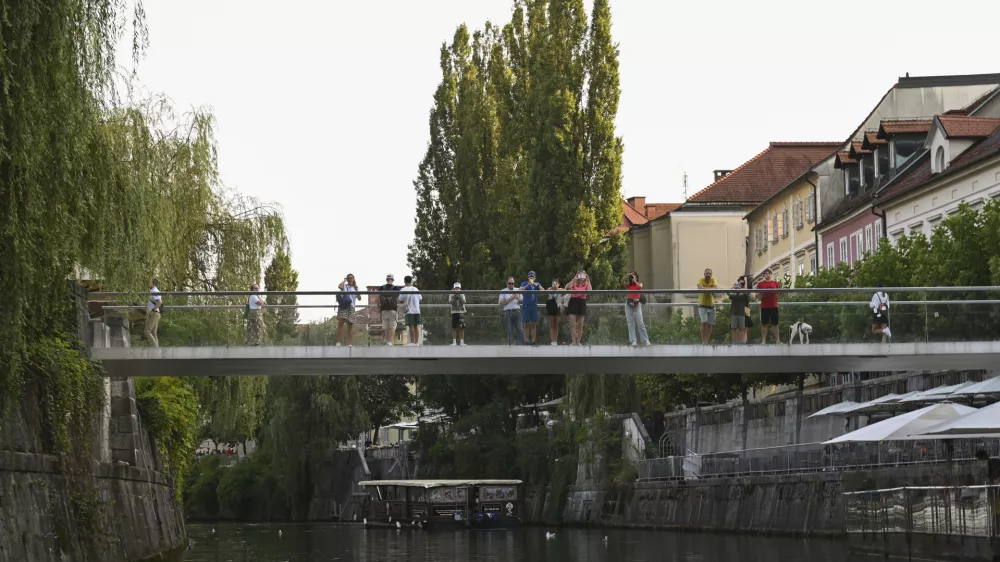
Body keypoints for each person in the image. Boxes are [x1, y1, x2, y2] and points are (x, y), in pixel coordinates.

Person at [622, 271, 650, 346]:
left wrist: (635, 280)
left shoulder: (639, 284)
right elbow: (622, 281)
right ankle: (633, 340)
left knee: (640, 322)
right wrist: (627, 275)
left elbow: (640, 287)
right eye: (632, 276)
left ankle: (645, 340)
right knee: (630, 323)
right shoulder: (629, 285)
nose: (632, 276)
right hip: (629, 304)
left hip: (637, 304)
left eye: (634, 275)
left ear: (637, 277)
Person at [565, 270, 592, 346]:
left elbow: (590, 291)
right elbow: (567, 287)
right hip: (573, 302)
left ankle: (578, 342)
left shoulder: (586, 283)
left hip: (582, 302)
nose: (581, 277)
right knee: (572, 324)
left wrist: (588, 280)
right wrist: (574, 279)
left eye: (583, 275)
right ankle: (573, 341)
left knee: (580, 324)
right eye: (580, 275)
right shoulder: (574, 282)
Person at [757, 268, 781, 344]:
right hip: (764, 306)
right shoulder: (760, 284)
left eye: (769, 273)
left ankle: (777, 340)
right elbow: (757, 294)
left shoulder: (775, 283)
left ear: (771, 274)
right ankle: (763, 340)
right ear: (764, 275)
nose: (767, 275)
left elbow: (779, 293)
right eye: (766, 273)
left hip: (774, 305)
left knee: (775, 324)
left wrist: (782, 292)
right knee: (764, 324)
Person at [696, 268, 718, 345]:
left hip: (711, 306)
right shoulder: (701, 280)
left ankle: (707, 341)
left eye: (709, 273)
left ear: (711, 275)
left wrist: (708, 289)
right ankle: (703, 341)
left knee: (710, 324)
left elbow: (716, 288)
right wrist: (711, 290)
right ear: (704, 274)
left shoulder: (713, 280)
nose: (708, 275)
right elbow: (700, 288)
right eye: (707, 273)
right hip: (702, 306)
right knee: (704, 322)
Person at [499, 277, 524, 345]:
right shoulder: (503, 291)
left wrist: (518, 298)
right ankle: (511, 345)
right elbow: (501, 303)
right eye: (510, 283)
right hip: (508, 312)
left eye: (512, 283)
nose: (511, 285)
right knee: (510, 330)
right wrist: (510, 299)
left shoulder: (517, 290)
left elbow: (522, 300)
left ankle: (521, 343)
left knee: (520, 329)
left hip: (517, 311)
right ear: (507, 283)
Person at [336, 274, 359, 346]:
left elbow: (359, 298)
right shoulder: (345, 286)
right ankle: (339, 342)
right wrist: (344, 280)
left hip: (352, 307)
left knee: (350, 325)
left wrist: (357, 289)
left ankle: (349, 343)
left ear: (353, 279)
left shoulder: (355, 288)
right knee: (341, 323)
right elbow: (339, 286)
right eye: (348, 278)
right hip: (344, 305)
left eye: (351, 278)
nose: (349, 279)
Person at [520, 271, 543, 345]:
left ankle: (533, 340)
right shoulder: (524, 283)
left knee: (533, 324)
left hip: (533, 306)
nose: (531, 278)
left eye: (532, 277)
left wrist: (536, 285)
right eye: (530, 277)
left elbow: (543, 291)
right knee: (526, 323)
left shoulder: (537, 284)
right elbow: (520, 290)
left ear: (535, 277)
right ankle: (526, 340)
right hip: (526, 305)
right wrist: (527, 285)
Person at [398, 276, 422, 346]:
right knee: (416, 326)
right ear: (411, 281)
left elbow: (400, 300)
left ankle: (412, 342)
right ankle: (417, 343)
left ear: (404, 282)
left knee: (411, 326)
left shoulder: (403, 290)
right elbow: (420, 298)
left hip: (409, 311)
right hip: (417, 310)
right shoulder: (415, 289)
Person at [378, 274, 401, 346]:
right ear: (392, 280)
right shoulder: (396, 288)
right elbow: (399, 299)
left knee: (386, 327)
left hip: (384, 310)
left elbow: (378, 299)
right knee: (392, 327)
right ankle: (390, 342)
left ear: (386, 280)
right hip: (393, 309)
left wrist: (379, 309)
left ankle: (386, 341)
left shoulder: (382, 288)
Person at [729, 276, 750, 345]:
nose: (740, 285)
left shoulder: (743, 293)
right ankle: (734, 342)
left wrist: (742, 287)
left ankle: (742, 341)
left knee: (743, 328)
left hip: (744, 311)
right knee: (734, 328)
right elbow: (728, 293)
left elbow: (748, 293)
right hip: (734, 312)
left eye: (742, 283)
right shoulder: (733, 293)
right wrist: (733, 287)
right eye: (739, 283)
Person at [545, 279, 565, 346]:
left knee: (556, 325)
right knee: (552, 324)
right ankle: (552, 340)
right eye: (553, 283)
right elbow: (545, 292)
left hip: (557, 306)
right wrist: (551, 289)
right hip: (550, 306)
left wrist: (557, 289)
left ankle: (555, 340)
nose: (554, 285)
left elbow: (565, 291)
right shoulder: (550, 289)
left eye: (556, 283)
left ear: (558, 284)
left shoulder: (560, 290)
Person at [146, 278, 162, 347]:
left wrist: (152, 310)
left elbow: (159, 302)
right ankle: (157, 352)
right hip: (156, 313)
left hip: (154, 313)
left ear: (153, 283)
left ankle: (156, 349)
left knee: (147, 331)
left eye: (150, 282)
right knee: (153, 333)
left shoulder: (154, 291)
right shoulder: (154, 291)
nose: (148, 283)